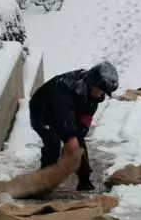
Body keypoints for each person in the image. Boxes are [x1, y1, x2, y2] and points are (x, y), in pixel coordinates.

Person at [30, 61, 119, 192]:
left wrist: (77, 136)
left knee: (78, 144)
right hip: (43, 111)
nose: (101, 95)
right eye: (100, 90)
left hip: (69, 112)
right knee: (53, 142)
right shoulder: (65, 86)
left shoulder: (92, 95)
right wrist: (70, 138)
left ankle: (84, 180)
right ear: (92, 83)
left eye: (103, 92)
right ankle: (43, 183)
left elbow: (86, 119)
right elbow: (62, 115)